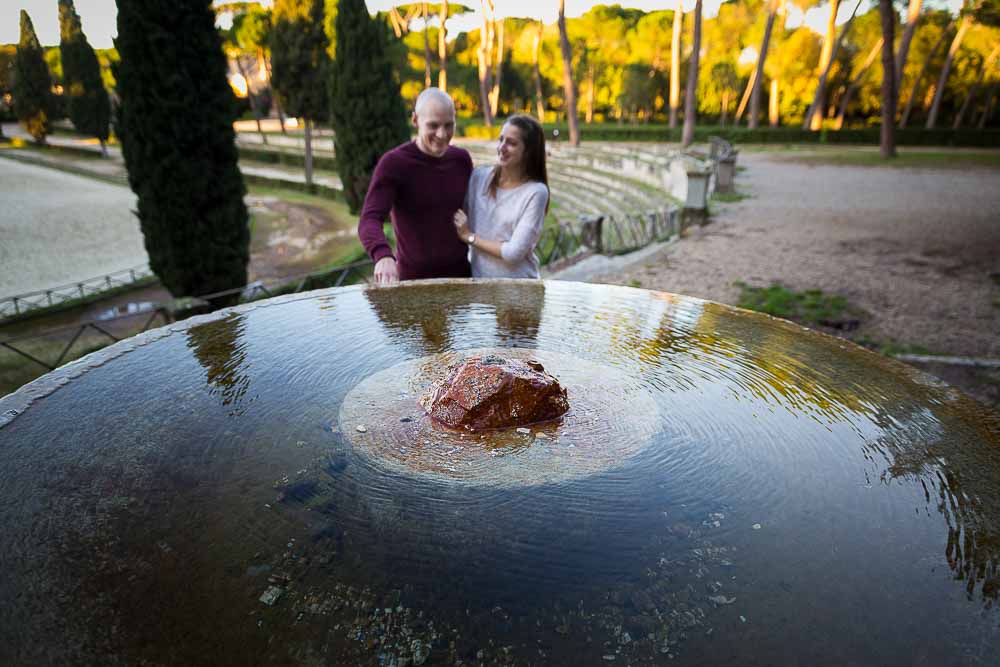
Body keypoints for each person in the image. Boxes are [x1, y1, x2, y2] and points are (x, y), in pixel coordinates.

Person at [358, 88, 473, 285]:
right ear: (415, 120)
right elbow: (369, 219)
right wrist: (383, 255)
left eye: (449, 125)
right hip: (414, 283)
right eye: (433, 125)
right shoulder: (394, 163)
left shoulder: (461, 160)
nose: (442, 134)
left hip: (461, 279)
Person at [453, 114, 549, 279]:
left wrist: (469, 236)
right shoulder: (478, 177)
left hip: (519, 290)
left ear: (529, 151)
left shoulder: (536, 192)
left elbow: (513, 252)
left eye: (511, 143)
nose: (502, 147)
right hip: (481, 287)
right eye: (501, 140)